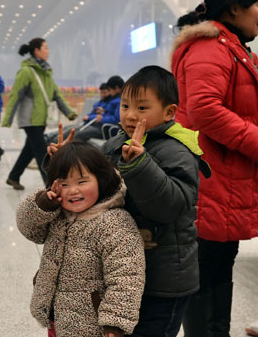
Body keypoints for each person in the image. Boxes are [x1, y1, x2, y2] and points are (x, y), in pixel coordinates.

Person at [48, 65, 210, 337]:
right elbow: (87, 193)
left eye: (142, 108)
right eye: (125, 106)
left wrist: (139, 164)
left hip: (162, 281)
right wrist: (64, 165)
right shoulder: (113, 145)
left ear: (169, 112)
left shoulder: (177, 151)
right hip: (121, 275)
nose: (131, 115)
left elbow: (169, 206)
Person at [170, 0, 258, 337]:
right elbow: (205, 109)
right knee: (207, 271)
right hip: (211, 177)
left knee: (220, 267)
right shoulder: (211, 48)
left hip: (225, 177)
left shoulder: (230, 46)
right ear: (235, 8)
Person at [17, 141, 145, 337]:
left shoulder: (114, 223)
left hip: (92, 325)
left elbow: (126, 277)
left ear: (101, 180)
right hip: (57, 317)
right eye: (64, 184)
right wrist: (43, 204)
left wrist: (114, 323)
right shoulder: (57, 214)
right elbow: (29, 228)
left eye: (82, 182)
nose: (72, 190)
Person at [2, 38, 77, 190]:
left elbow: (56, 94)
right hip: (30, 120)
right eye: (45, 48)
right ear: (37, 50)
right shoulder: (26, 72)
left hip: (41, 118)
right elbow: (15, 95)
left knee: (29, 150)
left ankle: (13, 176)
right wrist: (8, 118)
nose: (48, 51)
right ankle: (50, 185)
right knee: (42, 152)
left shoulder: (46, 73)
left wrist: (69, 112)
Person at [45, 82, 111, 145]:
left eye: (104, 93)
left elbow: (103, 116)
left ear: (110, 91)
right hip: (89, 124)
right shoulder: (101, 102)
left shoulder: (111, 103)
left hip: (97, 127)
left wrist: (90, 117)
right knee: (68, 128)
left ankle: (56, 144)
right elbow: (94, 113)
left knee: (75, 132)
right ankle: (48, 138)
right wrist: (89, 116)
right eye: (101, 93)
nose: (102, 95)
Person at [74, 76, 124, 142]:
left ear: (117, 88)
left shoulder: (121, 100)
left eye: (110, 89)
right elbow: (112, 113)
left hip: (106, 129)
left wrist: (102, 119)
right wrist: (104, 111)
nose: (110, 92)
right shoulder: (116, 98)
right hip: (102, 125)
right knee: (76, 131)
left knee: (79, 135)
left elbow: (118, 119)